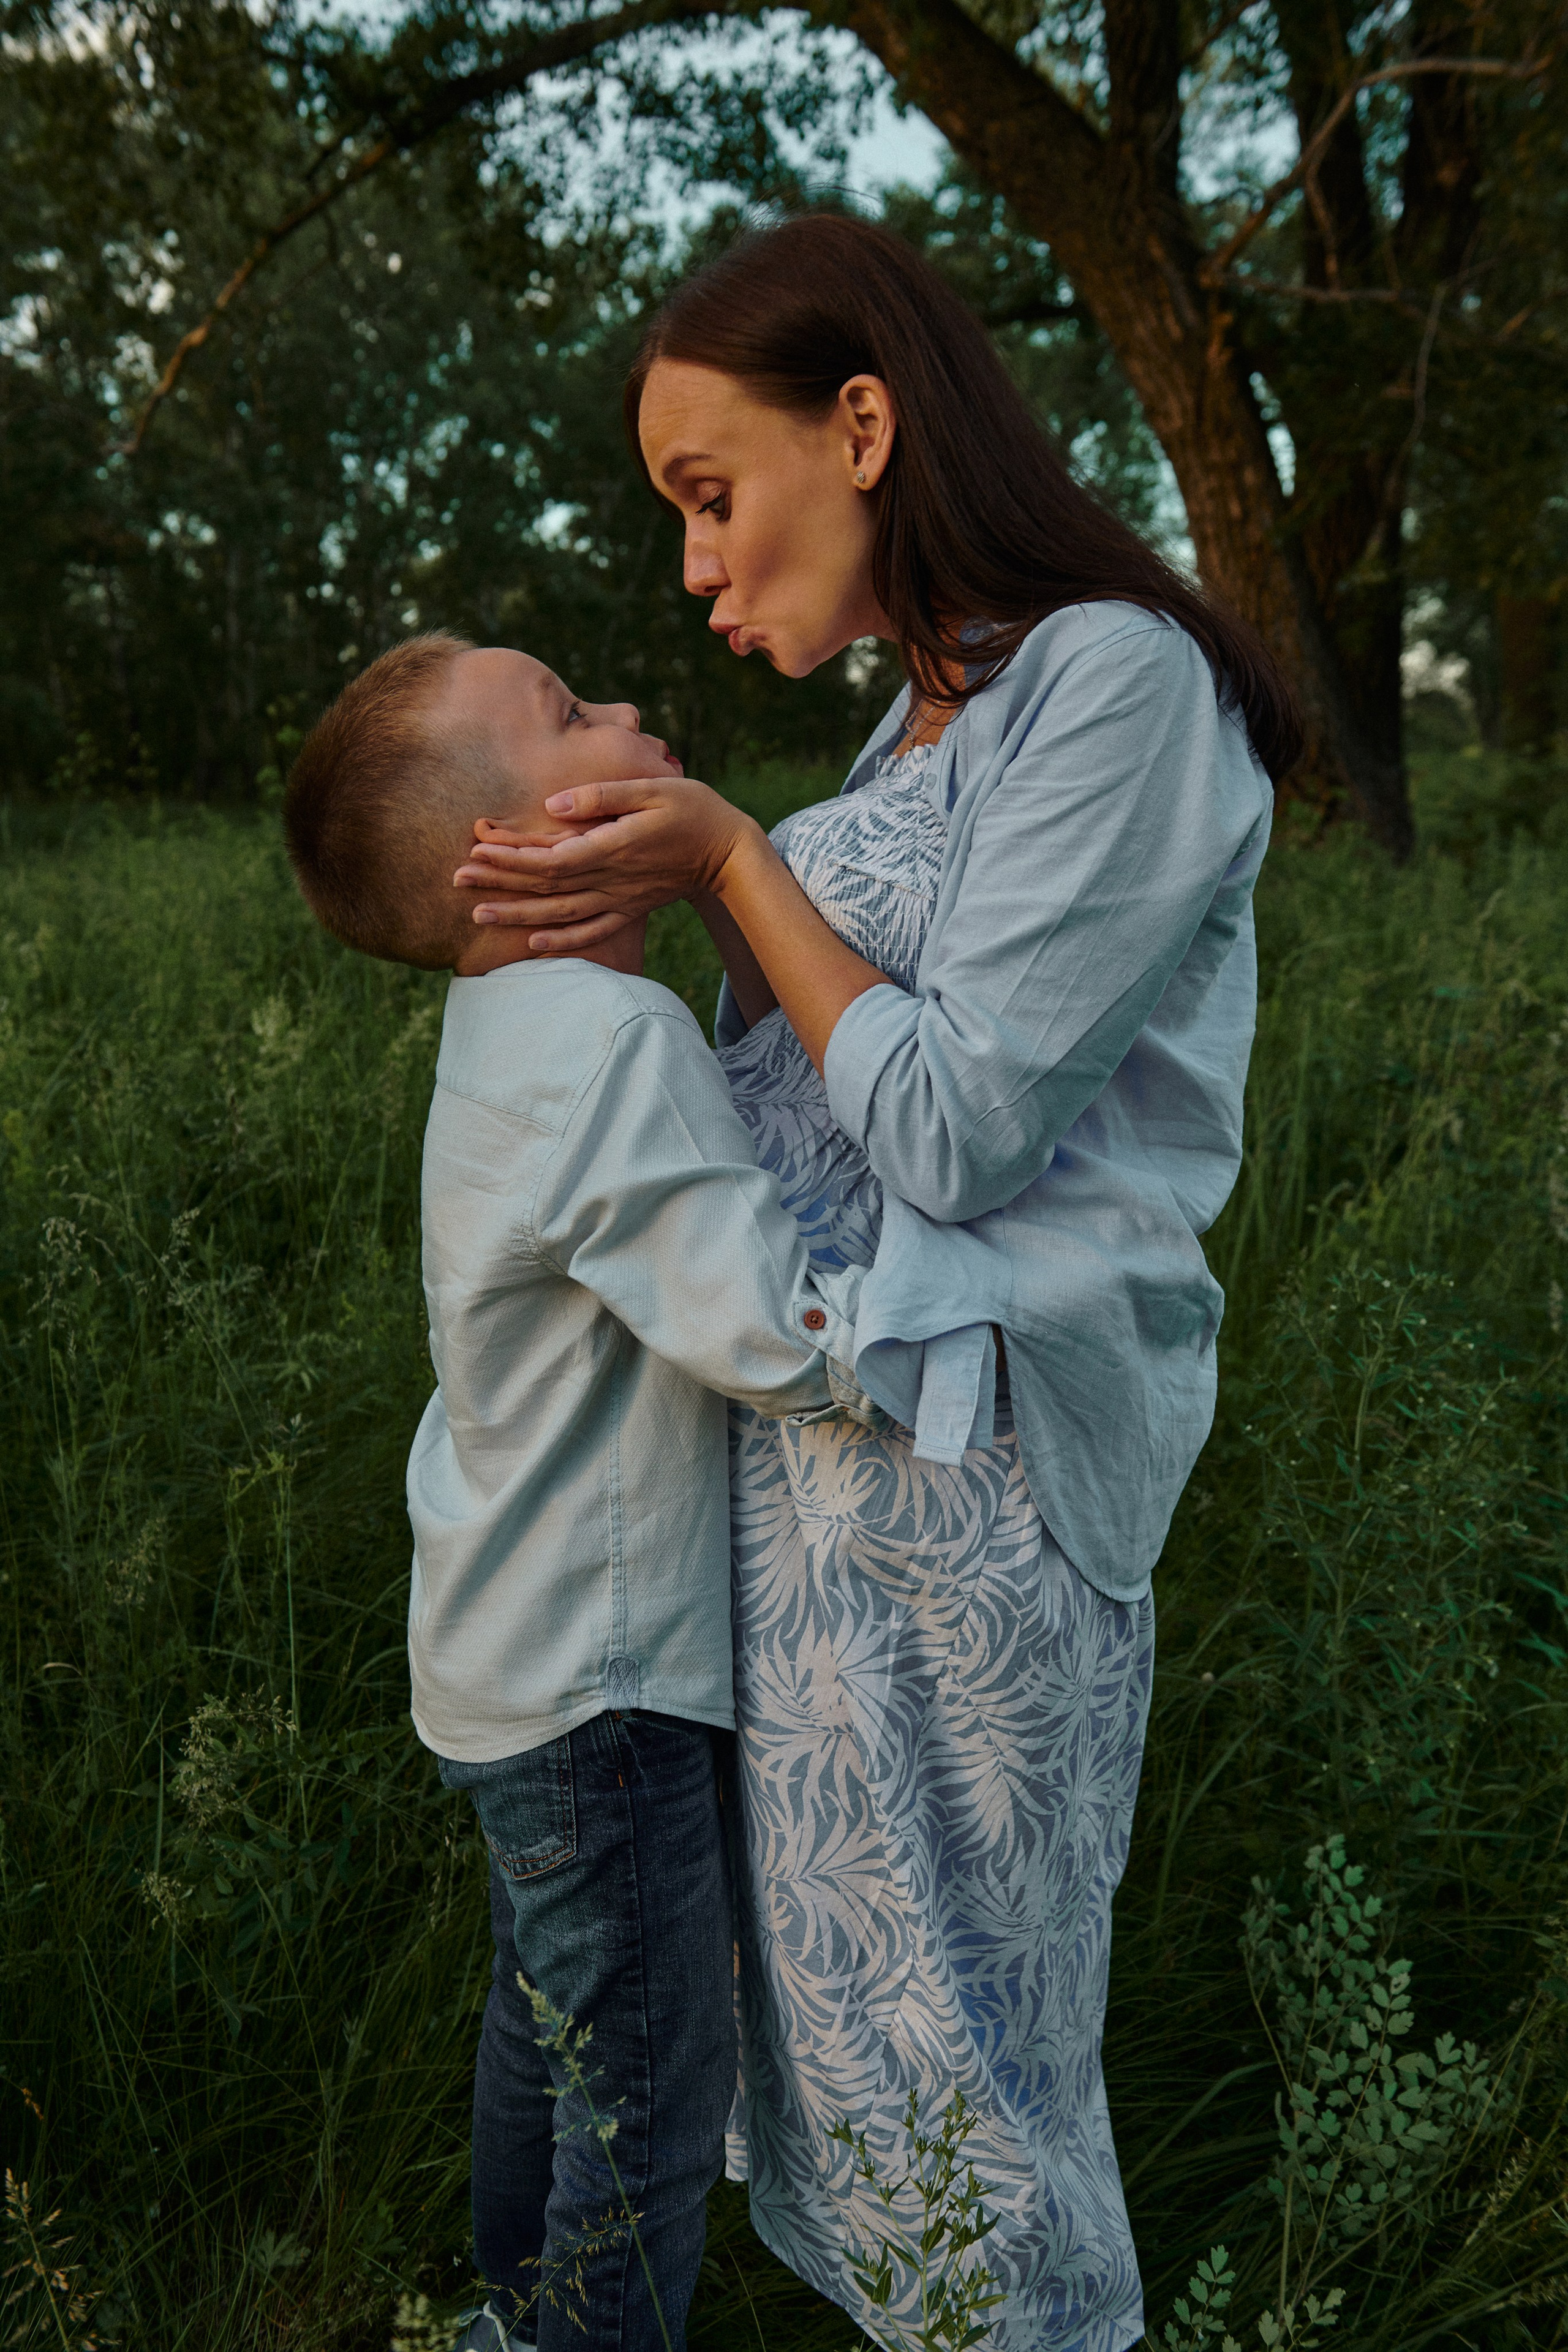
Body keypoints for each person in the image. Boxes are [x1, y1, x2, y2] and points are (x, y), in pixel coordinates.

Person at [452, 213, 1300, 2351]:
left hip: (971, 1478)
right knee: (850, 2096)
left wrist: (730, 858)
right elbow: (820, 1073)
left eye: (708, 496)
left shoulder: (1118, 681)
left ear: (865, 421)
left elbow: (954, 1125)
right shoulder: (912, 731)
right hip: (815, 1482)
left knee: (975, 2107)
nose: (695, 572)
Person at [282, 630, 879, 2352]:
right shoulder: (607, 1039)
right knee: (650, 2081)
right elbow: (772, 1331)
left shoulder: (515, 1022)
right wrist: (938, 1319)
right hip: (602, 1677)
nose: (625, 711)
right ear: (514, 860)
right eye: (567, 714)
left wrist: (712, 897)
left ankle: (507, 2319)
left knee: (550, 2022)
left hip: (507, 1648)